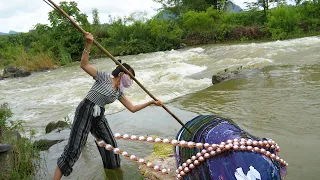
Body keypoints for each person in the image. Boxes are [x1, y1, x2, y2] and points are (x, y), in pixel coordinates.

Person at [53, 32, 162, 180]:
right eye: (131, 77)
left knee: (111, 145)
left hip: (99, 115)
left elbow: (132, 108)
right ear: (123, 74)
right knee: (74, 149)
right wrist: (88, 44)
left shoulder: (118, 92)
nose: (131, 81)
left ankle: (114, 172)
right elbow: (83, 65)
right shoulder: (103, 77)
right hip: (86, 110)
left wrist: (151, 102)